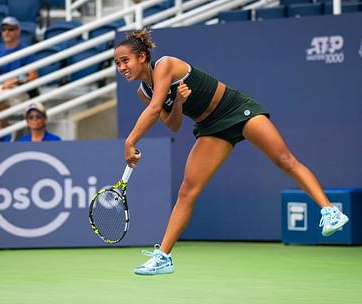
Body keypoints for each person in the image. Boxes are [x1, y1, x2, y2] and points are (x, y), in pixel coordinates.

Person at [114, 29, 349, 276]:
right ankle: (163, 257)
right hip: (211, 128)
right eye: (118, 63)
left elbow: (153, 111)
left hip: (235, 108)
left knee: (284, 160)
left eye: (125, 60)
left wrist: (129, 141)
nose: (121, 67)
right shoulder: (144, 91)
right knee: (187, 190)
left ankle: (329, 211)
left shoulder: (166, 65)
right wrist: (180, 103)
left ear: (142, 57)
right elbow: (173, 124)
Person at [0, 16, 38, 141]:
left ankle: (5, 132)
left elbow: (33, 76)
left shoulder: (25, 51)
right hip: (2, 91)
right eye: (4, 29)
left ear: (18, 31)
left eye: (10, 29)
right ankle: (3, 130)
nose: (6, 32)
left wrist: (16, 80)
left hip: (21, 92)